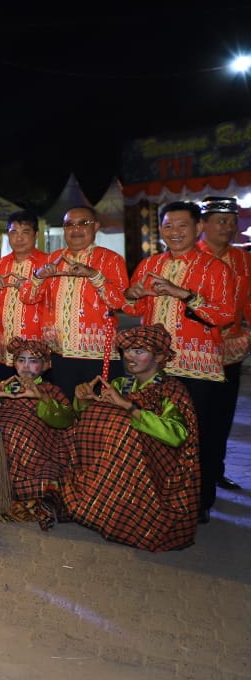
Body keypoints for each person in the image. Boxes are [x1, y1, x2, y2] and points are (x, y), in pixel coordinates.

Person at [123, 201, 235, 522]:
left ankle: (197, 504)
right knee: (153, 432)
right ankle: (157, 496)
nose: (174, 232)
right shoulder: (149, 264)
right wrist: (135, 293)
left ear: (198, 228)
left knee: (194, 436)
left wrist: (181, 292)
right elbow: (129, 309)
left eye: (182, 226)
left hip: (197, 367)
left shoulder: (215, 268)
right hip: (153, 368)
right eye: (168, 226)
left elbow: (224, 314)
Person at [56, 324, 201, 551]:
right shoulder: (120, 384)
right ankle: (103, 502)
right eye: (127, 351)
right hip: (117, 464)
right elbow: (88, 419)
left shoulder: (172, 390)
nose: (130, 357)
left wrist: (129, 407)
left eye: (139, 351)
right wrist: (82, 400)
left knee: (126, 431)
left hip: (155, 469)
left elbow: (177, 435)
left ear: (160, 357)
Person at [21, 205, 128, 397]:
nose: (75, 229)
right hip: (59, 354)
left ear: (96, 226)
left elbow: (119, 302)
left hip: (98, 354)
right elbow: (28, 298)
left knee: (98, 414)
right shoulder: (52, 259)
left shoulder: (111, 259)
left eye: (83, 223)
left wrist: (93, 275)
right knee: (64, 412)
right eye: (69, 224)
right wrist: (38, 277)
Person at [0, 338, 75, 528]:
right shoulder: (5, 385)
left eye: (33, 361)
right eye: (21, 360)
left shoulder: (51, 390)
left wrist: (41, 398)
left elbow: (65, 419)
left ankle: (27, 494)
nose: (26, 366)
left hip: (36, 444)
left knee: (19, 434)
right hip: (0, 439)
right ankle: (3, 490)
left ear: (45, 366)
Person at [196, 196, 251, 491]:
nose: (228, 227)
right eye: (221, 220)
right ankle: (196, 482)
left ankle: (215, 471)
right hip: (194, 351)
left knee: (222, 415)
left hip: (230, 350)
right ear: (203, 224)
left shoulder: (244, 259)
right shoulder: (190, 257)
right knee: (196, 418)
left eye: (232, 221)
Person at [0, 210, 49, 378]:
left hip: (37, 351)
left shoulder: (47, 264)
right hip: (2, 350)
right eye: (13, 232)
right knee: (4, 398)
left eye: (25, 232)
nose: (19, 238)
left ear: (36, 234)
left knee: (39, 400)